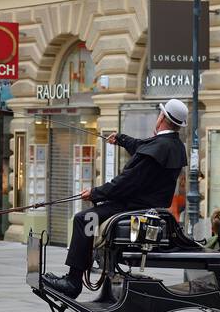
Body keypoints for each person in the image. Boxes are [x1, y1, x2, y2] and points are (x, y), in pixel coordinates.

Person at [44, 99, 189, 299]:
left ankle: (73, 281)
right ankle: (86, 269)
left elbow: (126, 182)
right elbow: (141, 146)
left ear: (162, 117)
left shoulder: (161, 146)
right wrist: (120, 139)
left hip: (131, 207)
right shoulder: (172, 145)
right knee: (89, 218)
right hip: (143, 206)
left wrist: (96, 193)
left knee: (84, 219)